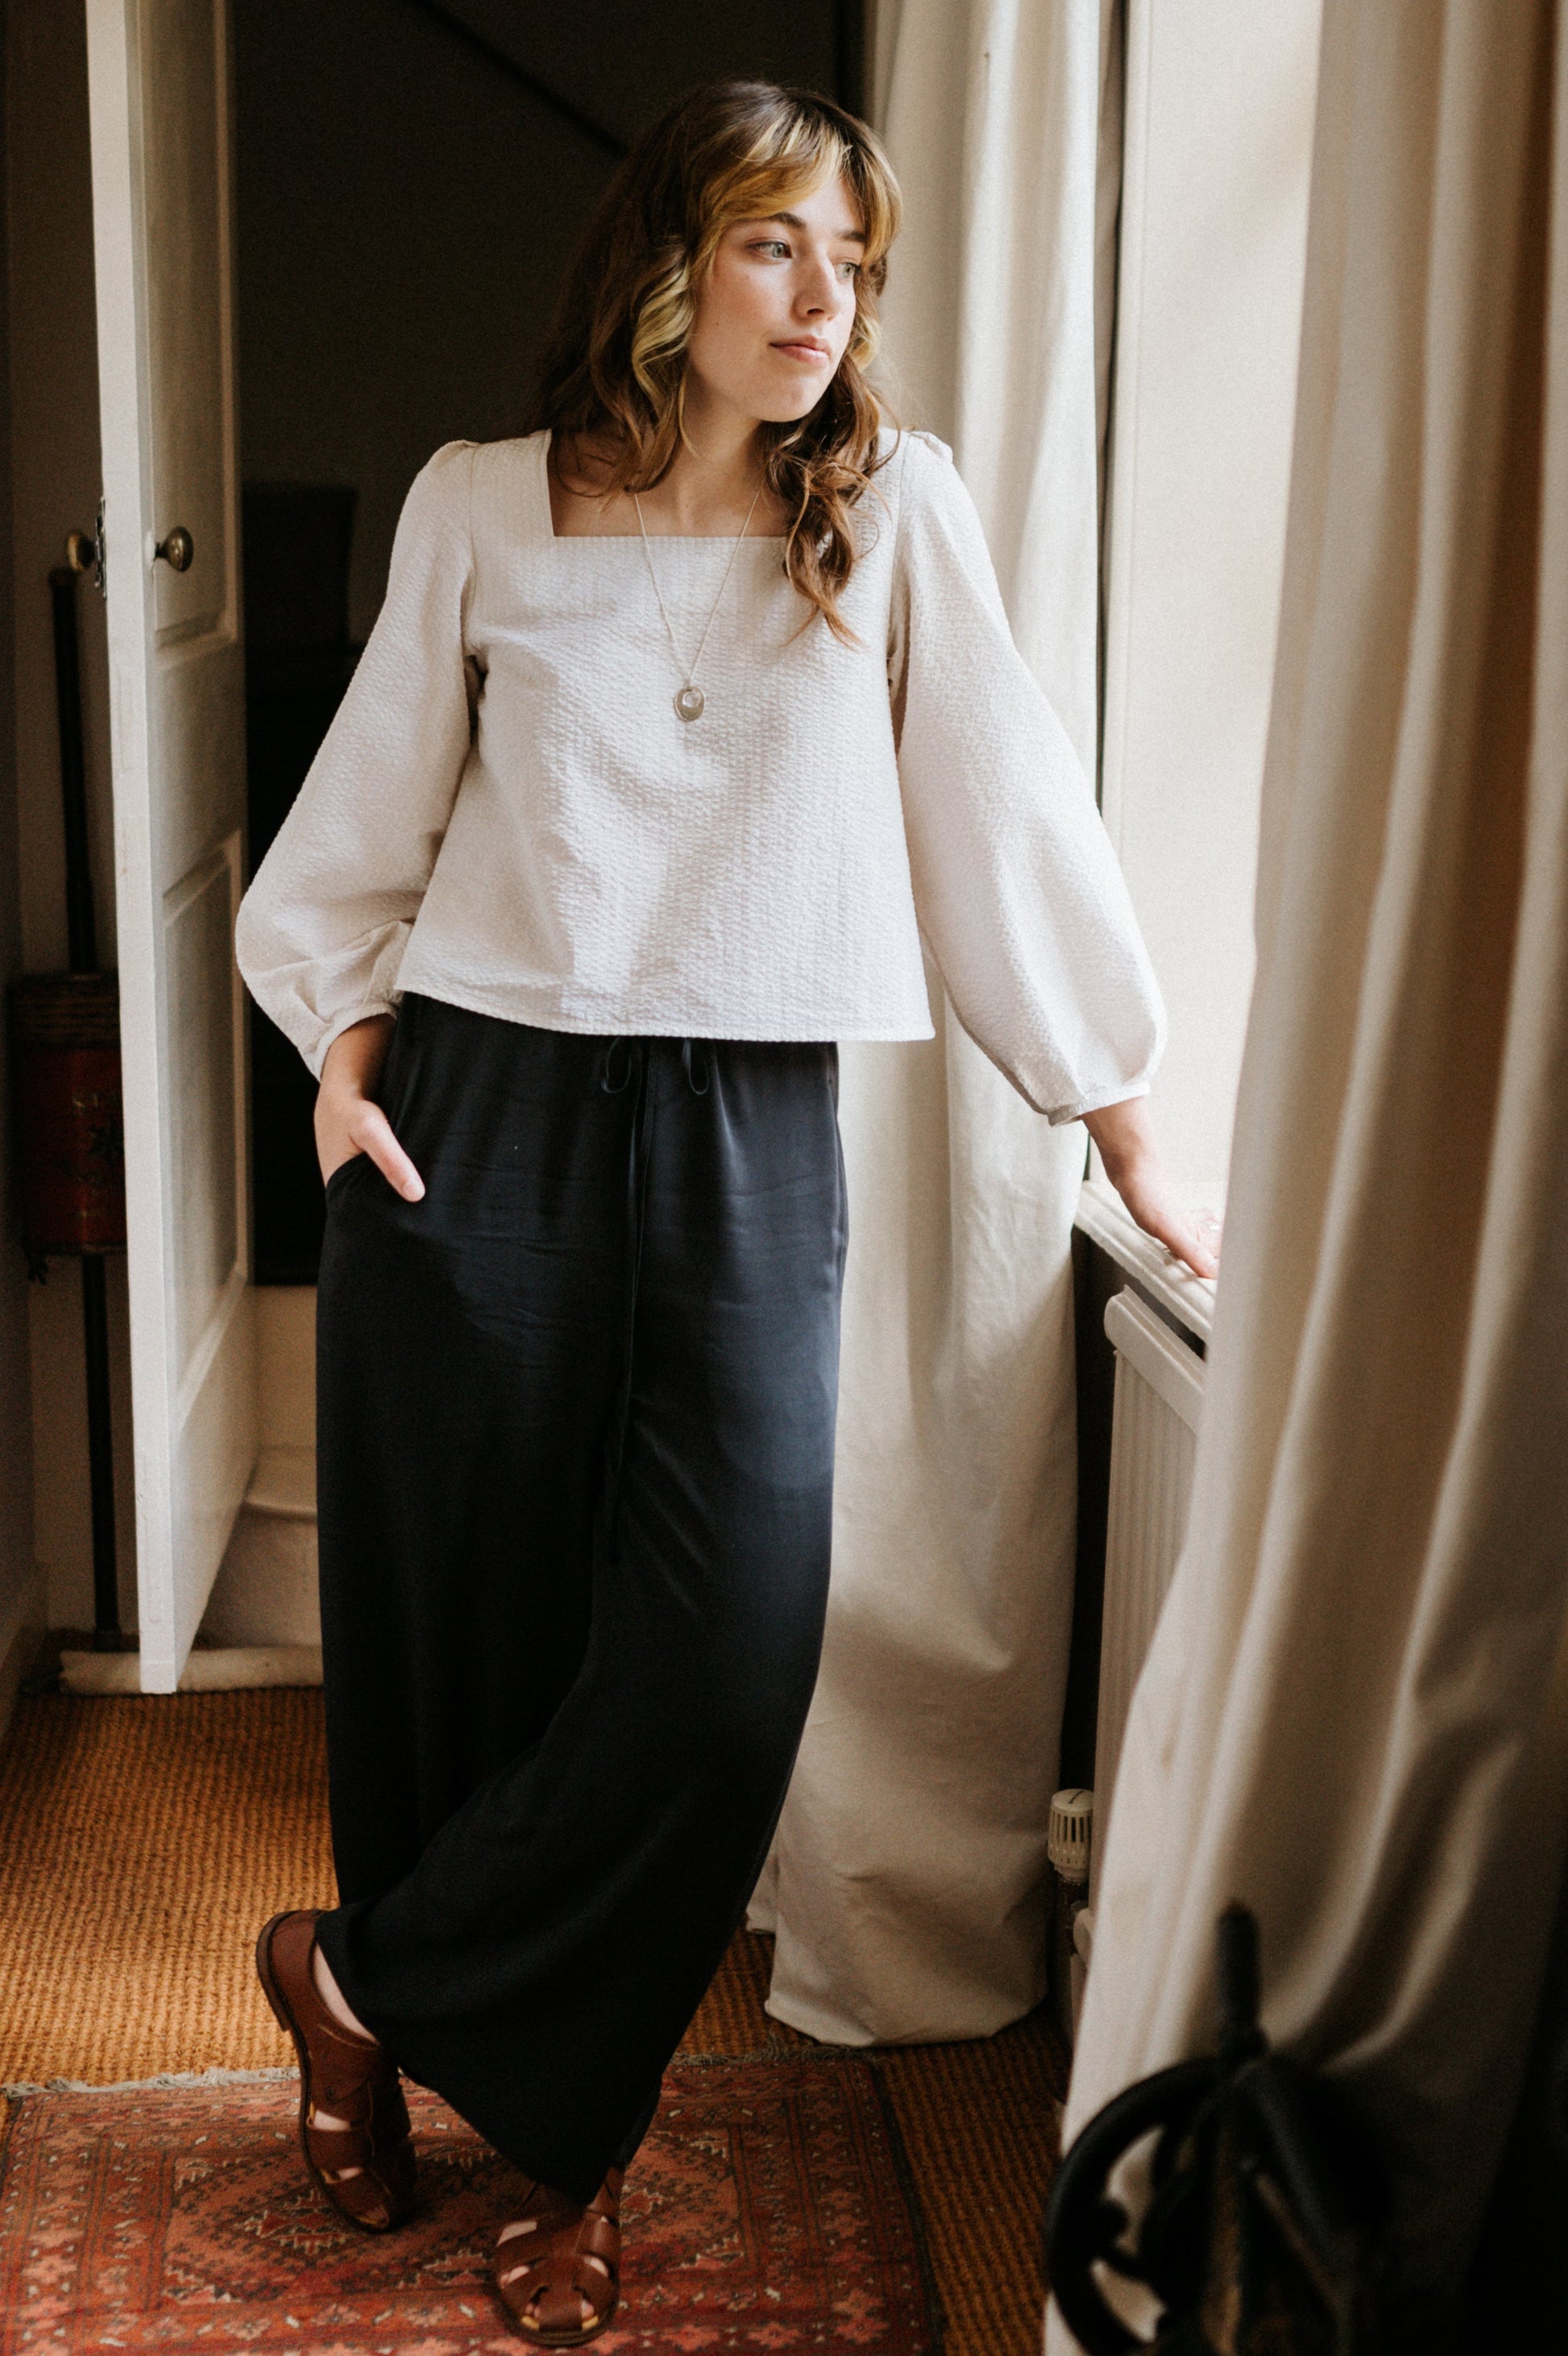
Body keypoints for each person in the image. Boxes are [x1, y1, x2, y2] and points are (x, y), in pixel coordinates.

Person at [236, 78, 1217, 2348]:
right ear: (670, 262)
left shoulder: (887, 510)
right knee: (473, 1641)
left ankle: (357, 1983)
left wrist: (1129, 1126)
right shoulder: (481, 503)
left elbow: (1005, 823)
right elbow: (364, 825)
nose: (822, 301)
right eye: (779, 245)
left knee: (727, 1649)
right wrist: (344, 1059)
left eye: (852, 262)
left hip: (749, 1133)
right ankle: (564, 2148)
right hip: (474, 1118)